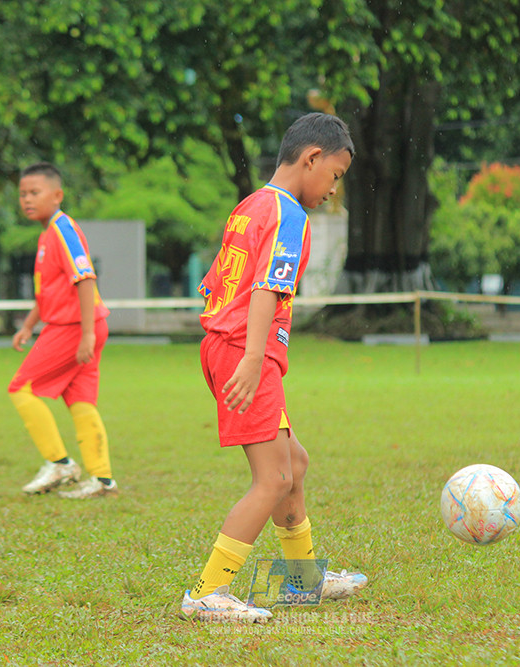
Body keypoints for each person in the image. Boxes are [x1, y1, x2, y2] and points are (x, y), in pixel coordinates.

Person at [180, 113, 367, 624]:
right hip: (245, 350)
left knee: (295, 465)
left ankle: (300, 581)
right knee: (274, 478)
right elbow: (266, 288)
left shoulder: (251, 204)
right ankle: (207, 592)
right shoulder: (289, 215)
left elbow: (221, 283)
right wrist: (253, 356)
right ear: (311, 159)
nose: (333, 189)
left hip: (227, 345)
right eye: (334, 175)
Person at [8, 162, 117, 499]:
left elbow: (85, 279)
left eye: (35, 192)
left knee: (21, 389)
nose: (27, 199)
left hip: (73, 328)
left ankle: (60, 463)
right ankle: (102, 480)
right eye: (23, 193)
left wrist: (85, 335)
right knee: (80, 399)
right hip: (85, 325)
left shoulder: (61, 229)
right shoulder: (47, 234)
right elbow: (51, 291)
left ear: (57, 195)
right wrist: (28, 325)